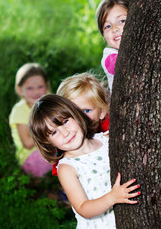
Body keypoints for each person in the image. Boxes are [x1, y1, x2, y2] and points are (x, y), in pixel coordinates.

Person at [29, 94, 141, 228]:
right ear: (48, 143)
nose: (65, 133)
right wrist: (112, 197)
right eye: (54, 132)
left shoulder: (106, 139)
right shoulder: (67, 168)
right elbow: (83, 208)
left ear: (76, 115)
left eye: (65, 122)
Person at [52, 72, 110, 176]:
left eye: (86, 111)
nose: (80, 118)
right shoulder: (65, 141)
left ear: (102, 111)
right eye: (72, 114)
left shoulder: (109, 130)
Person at [9, 63, 52, 177]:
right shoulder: (20, 110)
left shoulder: (47, 103)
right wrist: (47, 129)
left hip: (47, 148)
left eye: (40, 87)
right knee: (65, 154)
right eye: (29, 88)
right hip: (30, 157)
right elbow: (27, 143)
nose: (36, 92)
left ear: (47, 86)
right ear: (19, 90)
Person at [96, 0, 131, 94]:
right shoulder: (109, 56)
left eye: (121, 21)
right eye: (108, 26)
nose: (114, 29)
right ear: (104, 35)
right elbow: (124, 66)